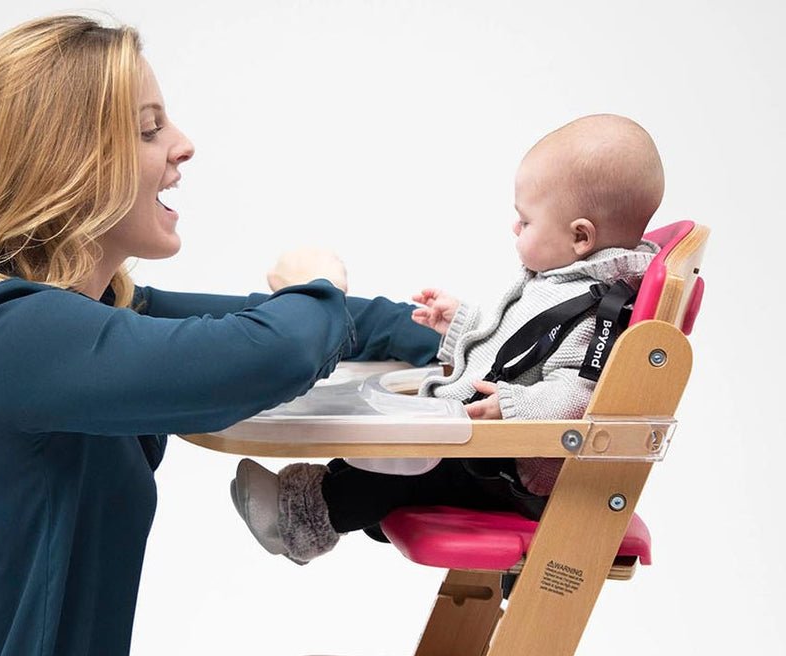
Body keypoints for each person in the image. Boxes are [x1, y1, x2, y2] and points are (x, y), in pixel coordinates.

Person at [0, 15, 438, 656]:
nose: (183, 143)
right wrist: (321, 279)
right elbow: (275, 348)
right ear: (72, 162)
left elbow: (299, 329)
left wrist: (465, 339)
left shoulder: (96, 317)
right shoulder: (19, 336)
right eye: (149, 130)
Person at [231, 115, 665, 563]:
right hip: (493, 456)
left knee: (399, 471)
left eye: (526, 220)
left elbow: (582, 392)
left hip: (511, 477)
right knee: (396, 453)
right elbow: (520, 346)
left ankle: (298, 519)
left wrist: (515, 407)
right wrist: (461, 323)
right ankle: (307, 499)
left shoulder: (600, 310)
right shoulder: (566, 284)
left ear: (580, 236)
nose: (516, 229)